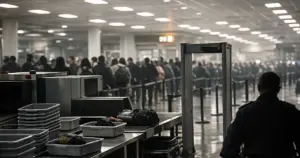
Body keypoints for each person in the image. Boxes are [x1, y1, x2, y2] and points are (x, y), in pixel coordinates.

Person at [221, 72, 300, 158]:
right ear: (278, 89)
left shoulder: (245, 113)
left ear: (258, 87)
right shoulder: (291, 111)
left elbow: (229, 149)